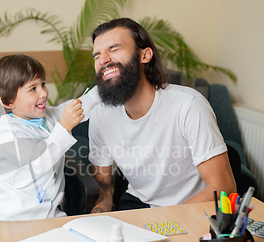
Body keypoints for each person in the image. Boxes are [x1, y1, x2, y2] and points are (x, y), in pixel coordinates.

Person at [88, 18, 236, 213]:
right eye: (96, 55)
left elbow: (224, 188)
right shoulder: (100, 114)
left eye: (113, 49)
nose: (103, 59)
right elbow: (105, 190)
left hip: (193, 207)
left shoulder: (188, 105)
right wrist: (100, 210)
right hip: (138, 203)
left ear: (145, 55)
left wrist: (164, 222)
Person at [0, 54, 100, 221]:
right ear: (9, 101)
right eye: (33, 89)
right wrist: (64, 127)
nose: (44, 92)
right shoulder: (8, 131)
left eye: (43, 84)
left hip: (49, 214)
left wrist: (104, 88)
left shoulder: (49, 116)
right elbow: (38, 163)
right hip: (13, 217)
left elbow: (81, 105)